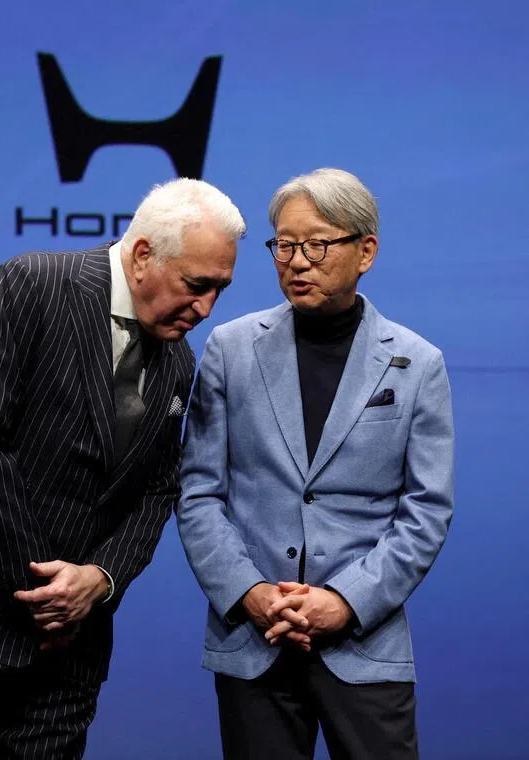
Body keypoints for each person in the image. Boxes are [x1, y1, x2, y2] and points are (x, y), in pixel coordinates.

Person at [0, 178, 245, 759]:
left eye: (220, 289)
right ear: (143, 255)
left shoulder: (177, 360)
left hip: (71, 643)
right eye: (196, 286)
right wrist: (45, 593)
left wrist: (101, 579)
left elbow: (159, 487)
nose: (206, 308)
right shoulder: (31, 286)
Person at [175, 167, 454, 759]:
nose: (297, 261)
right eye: (284, 245)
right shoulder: (229, 348)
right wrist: (249, 591)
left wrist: (347, 601)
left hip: (364, 639)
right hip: (254, 636)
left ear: (366, 251)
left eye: (318, 244)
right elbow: (198, 492)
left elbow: (425, 511)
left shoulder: (417, 362)